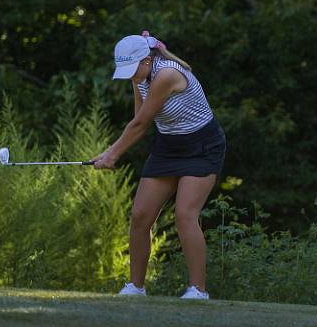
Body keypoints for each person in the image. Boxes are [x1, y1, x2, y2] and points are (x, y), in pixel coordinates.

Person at [93, 31, 226, 300]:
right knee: (141, 215)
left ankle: (198, 290)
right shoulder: (140, 76)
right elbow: (139, 120)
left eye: (133, 69)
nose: (131, 75)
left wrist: (112, 154)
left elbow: (140, 124)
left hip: (202, 146)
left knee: (184, 216)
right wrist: (111, 151)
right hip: (168, 146)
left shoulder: (166, 74)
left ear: (146, 60)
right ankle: (136, 287)